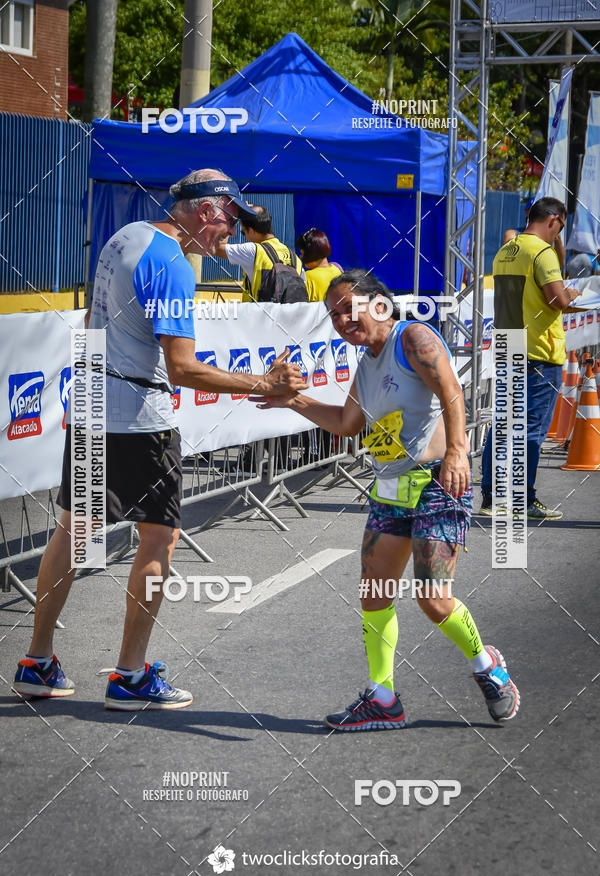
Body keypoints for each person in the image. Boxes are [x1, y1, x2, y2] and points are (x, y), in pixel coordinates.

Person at [12, 168, 307, 710]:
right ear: (203, 211)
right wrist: (263, 383)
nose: (230, 236)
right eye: (227, 222)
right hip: (137, 418)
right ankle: (129, 675)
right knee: (159, 540)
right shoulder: (172, 262)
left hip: (92, 404)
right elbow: (183, 368)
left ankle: (37, 660)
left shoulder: (126, 235)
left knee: (75, 532)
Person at [251, 270, 520, 731]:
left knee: (434, 601)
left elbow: (453, 392)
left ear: (378, 303)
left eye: (346, 309)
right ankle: (384, 698)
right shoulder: (367, 362)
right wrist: (291, 401)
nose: (340, 321)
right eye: (332, 315)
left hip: (437, 485)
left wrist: (458, 452)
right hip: (390, 490)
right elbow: (346, 423)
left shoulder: (412, 338)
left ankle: (487, 666)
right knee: (374, 595)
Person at [480, 197, 582, 520]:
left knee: (502, 425)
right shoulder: (542, 253)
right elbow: (556, 300)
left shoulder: (505, 251)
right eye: (561, 227)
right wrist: (573, 295)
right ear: (552, 219)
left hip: (509, 345)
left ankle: (490, 498)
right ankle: (524, 499)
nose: (559, 235)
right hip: (538, 351)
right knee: (531, 431)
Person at [216, 205, 307, 303]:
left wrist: (232, 220)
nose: (245, 236)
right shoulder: (294, 257)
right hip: (289, 316)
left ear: (251, 231)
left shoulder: (253, 251)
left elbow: (217, 248)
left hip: (259, 316)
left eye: (243, 232)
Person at [295, 228, 342, 301]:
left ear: (311, 254)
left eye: (302, 254)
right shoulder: (338, 269)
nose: (301, 257)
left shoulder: (307, 277)